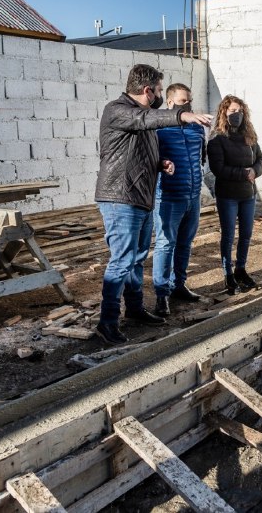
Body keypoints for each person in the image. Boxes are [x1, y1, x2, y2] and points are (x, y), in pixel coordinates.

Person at [94, 64, 211, 345]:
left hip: (140, 197)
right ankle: (107, 322)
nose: (160, 94)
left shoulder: (141, 119)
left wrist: (160, 163)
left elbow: (134, 149)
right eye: (159, 90)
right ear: (148, 90)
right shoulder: (118, 109)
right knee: (121, 261)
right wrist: (184, 115)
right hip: (119, 198)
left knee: (135, 259)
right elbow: (146, 119)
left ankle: (134, 309)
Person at [151, 83, 206, 318]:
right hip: (169, 197)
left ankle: (179, 284)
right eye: (184, 101)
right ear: (170, 103)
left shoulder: (197, 129)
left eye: (190, 100)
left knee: (186, 242)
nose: (189, 105)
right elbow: (153, 159)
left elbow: (201, 158)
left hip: (193, 196)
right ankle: (161, 294)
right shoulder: (159, 128)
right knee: (165, 244)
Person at [207, 95, 262, 294]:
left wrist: (255, 171)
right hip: (228, 195)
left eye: (239, 111)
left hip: (248, 194)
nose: (236, 115)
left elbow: (259, 159)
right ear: (224, 113)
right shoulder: (217, 139)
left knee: (246, 234)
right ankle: (227, 273)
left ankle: (241, 269)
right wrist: (244, 173)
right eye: (232, 111)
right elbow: (218, 169)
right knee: (229, 235)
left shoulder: (249, 135)